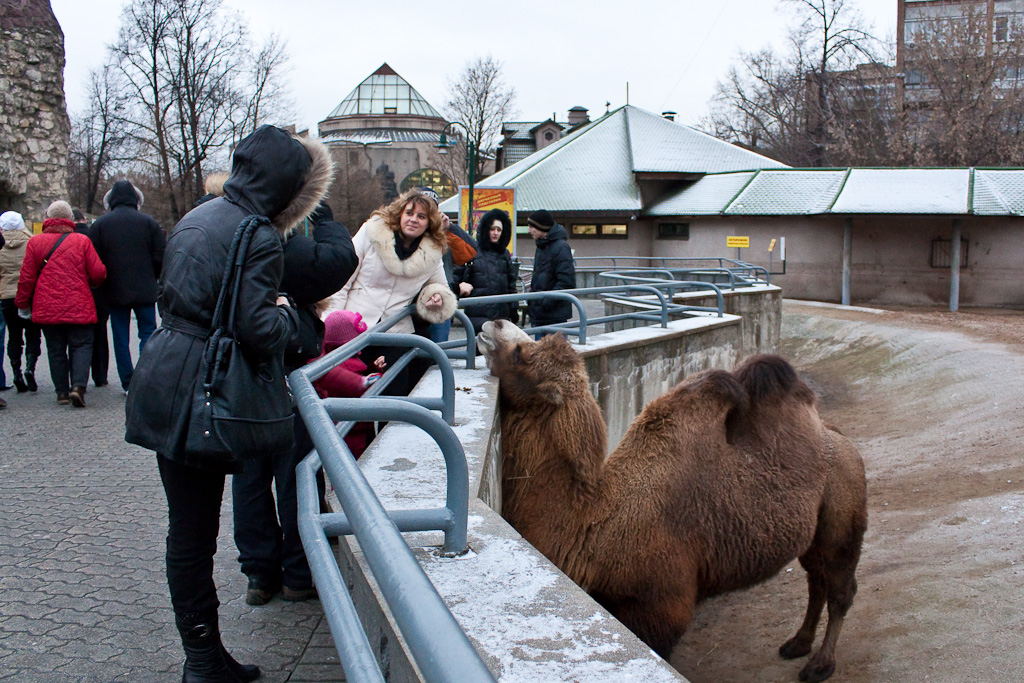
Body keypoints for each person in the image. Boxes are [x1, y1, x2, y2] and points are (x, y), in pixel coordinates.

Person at [123, 124, 332, 683]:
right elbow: (258, 328)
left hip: (165, 371)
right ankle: (203, 662)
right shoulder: (257, 233)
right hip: (204, 390)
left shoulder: (200, 215)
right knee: (193, 535)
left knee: (184, 531)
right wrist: (295, 313)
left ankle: (205, 656)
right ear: (287, 185)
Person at [232, 200, 357, 607]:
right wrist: (322, 214)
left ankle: (258, 573)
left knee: (250, 479)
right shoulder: (286, 244)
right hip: (284, 380)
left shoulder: (220, 232)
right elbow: (340, 259)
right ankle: (300, 572)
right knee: (296, 475)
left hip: (241, 382)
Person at [328, 188, 457, 395]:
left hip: (395, 333)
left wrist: (435, 299)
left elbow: (441, 290)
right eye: (409, 213)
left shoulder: (433, 252)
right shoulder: (371, 232)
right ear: (400, 214)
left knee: (394, 397)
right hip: (353, 329)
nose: (414, 220)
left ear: (429, 222)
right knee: (349, 396)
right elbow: (342, 280)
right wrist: (331, 325)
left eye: (421, 216)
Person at [15, 201, 107, 406]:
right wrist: (90, 282)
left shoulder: (35, 243)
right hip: (78, 303)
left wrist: (22, 304)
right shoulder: (82, 241)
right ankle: (78, 386)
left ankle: (62, 392)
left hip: (47, 306)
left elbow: (27, 278)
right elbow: (99, 272)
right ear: (70, 219)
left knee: (55, 348)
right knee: (82, 345)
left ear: (48, 218)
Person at [88, 180, 165, 394]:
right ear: (136, 200)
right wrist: (154, 277)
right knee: (148, 333)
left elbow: (93, 259)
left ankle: (128, 382)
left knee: (120, 338)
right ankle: (146, 376)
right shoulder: (149, 223)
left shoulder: (101, 225)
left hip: (114, 291)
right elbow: (161, 255)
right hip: (145, 289)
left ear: (110, 201)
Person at [311, 310, 385, 458]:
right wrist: (378, 374)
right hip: (353, 429)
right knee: (355, 465)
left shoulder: (341, 361)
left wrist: (371, 368)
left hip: (355, 426)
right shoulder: (347, 365)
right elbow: (361, 388)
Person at [453, 208, 519, 335]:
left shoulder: (504, 254)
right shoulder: (472, 251)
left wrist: (513, 308)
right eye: (492, 229)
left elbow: (511, 284)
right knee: (477, 352)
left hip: (501, 316)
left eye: (499, 230)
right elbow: (457, 278)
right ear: (485, 229)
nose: (495, 233)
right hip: (478, 316)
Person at [1, 211, 42, 394]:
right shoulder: (31, 242)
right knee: (33, 333)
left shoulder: (0, 244)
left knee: (14, 337)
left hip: (6, 296)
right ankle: (30, 368)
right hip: (29, 295)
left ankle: (16, 372)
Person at [73, 208, 110, 388]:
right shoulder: (94, 235)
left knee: (74, 339)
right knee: (99, 335)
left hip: (73, 293)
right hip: (98, 291)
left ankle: (75, 380)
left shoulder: (67, 239)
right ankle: (100, 375)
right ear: (83, 219)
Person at [525, 209, 576, 337]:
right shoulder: (541, 246)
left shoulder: (561, 247)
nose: (529, 231)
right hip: (541, 315)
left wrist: (545, 303)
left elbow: (566, 282)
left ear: (542, 227)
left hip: (553, 317)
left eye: (532, 227)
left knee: (555, 355)